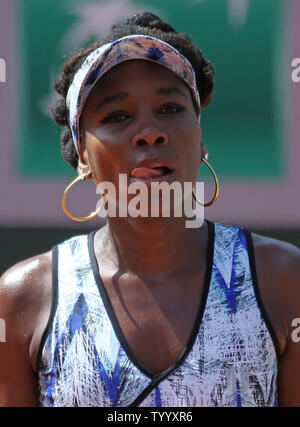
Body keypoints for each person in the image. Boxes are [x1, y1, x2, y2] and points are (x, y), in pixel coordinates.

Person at [0, 12, 299, 407]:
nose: (150, 131)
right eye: (117, 116)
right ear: (82, 158)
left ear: (201, 138)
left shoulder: (284, 280)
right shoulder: (23, 299)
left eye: (170, 109)